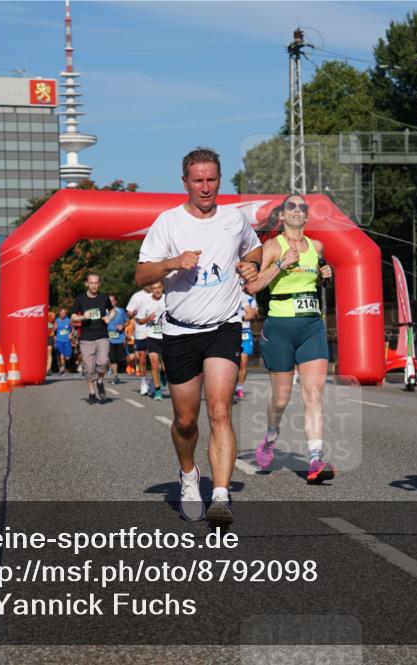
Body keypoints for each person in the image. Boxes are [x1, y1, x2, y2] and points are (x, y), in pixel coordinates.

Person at [136, 147, 262, 526]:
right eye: (198, 180)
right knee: (186, 421)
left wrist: (251, 265)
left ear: (219, 180)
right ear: (185, 182)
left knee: (220, 411)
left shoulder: (234, 220)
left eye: (211, 180)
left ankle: (220, 495)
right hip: (179, 331)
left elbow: (254, 248)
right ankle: (189, 476)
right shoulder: (168, 223)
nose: (205, 188)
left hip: (223, 327)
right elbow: (141, 276)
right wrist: (173, 263)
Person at [244, 194, 335, 483]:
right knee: (281, 398)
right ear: (282, 215)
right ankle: (270, 438)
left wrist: (325, 276)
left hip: (311, 326)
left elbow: (317, 279)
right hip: (280, 327)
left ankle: (316, 460)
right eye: (291, 206)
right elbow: (252, 286)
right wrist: (281, 265)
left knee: (313, 394)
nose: (297, 210)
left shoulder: (317, 247)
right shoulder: (273, 246)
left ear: (307, 217)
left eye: (302, 207)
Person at [71, 272, 116, 404]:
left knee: (102, 362)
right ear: (87, 284)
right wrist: (83, 317)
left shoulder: (103, 297)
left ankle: (100, 381)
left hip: (102, 335)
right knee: (89, 368)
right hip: (86, 338)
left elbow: (112, 310)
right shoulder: (80, 299)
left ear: (99, 284)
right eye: (91, 283)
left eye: (96, 283)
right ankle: (91, 392)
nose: (94, 285)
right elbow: (73, 316)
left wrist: (109, 317)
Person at [134, 282, 168, 400]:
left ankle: (164, 373)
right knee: (154, 363)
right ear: (151, 290)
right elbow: (139, 320)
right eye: (154, 288)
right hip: (152, 336)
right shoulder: (146, 302)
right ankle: (158, 390)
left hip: (166, 336)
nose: (157, 290)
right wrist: (148, 318)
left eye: (159, 287)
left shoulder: (167, 298)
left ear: (162, 288)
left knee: (165, 366)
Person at [126, 285, 153, 396]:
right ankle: (143, 382)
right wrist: (134, 312)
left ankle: (153, 382)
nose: (151, 285)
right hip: (141, 331)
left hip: (156, 332)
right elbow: (129, 312)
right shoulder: (137, 296)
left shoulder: (158, 294)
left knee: (156, 359)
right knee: (142, 359)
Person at [235, 293, 258, 400]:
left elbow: (253, 314)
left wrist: (241, 318)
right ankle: (231, 386)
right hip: (232, 333)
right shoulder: (227, 294)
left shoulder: (248, 299)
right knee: (233, 363)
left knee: (243, 363)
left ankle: (239, 388)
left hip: (245, 333)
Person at [106, 294, 129, 384]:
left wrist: (122, 325)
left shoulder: (121, 311)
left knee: (120, 359)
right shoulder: (105, 312)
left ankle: (123, 369)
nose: (110, 303)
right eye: (109, 301)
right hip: (109, 339)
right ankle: (115, 376)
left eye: (112, 301)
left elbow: (127, 321)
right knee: (112, 358)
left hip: (120, 338)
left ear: (115, 302)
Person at [54, 307, 72, 374]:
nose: (63, 315)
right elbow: (54, 330)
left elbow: (72, 329)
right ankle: (62, 368)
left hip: (67, 341)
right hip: (59, 340)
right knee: (61, 355)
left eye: (64, 313)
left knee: (67, 357)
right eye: (62, 313)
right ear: (59, 313)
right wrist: (54, 328)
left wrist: (71, 334)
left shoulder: (68, 320)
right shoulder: (57, 320)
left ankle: (63, 366)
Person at [46, 308, 57, 375]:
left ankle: (48, 368)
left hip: (50, 335)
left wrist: (54, 328)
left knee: (49, 351)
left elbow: (55, 324)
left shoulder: (52, 314)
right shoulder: (39, 313)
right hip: (41, 336)